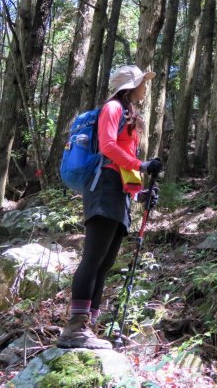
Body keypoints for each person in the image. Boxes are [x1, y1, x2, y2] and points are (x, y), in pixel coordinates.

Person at [57, 65, 162, 349]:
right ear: (129, 86)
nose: (145, 87)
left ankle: (87, 327)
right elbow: (107, 148)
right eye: (142, 82)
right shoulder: (113, 108)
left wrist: (141, 193)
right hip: (102, 187)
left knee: (104, 264)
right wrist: (142, 164)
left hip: (117, 192)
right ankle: (74, 327)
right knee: (93, 258)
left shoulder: (128, 114)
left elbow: (123, 163)